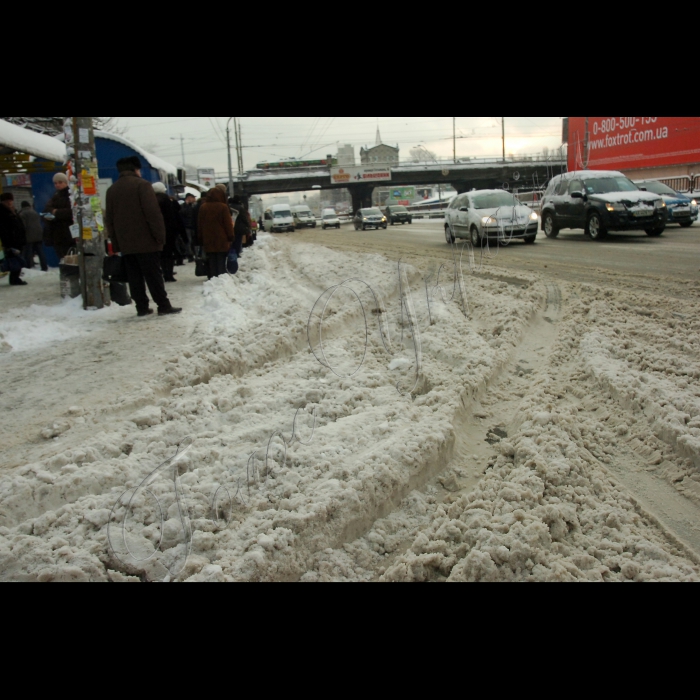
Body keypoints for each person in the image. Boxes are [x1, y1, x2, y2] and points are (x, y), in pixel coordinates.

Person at [104, 157, 182, 317]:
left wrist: (116, 242)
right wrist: (160, 236)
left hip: (126, 243)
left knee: (134, 277)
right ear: (136, 170)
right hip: (146, 241)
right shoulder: (142, 186)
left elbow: (109, 219)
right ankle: (163, 305)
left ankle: (141, 307)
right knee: (153, 275)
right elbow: (153, 214)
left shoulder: (111, 190)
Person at [152, 183, 186, 283]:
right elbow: (174, 216)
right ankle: (169, 274)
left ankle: (163, 273)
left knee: (161, 255)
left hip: (157, 231)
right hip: (169, 232)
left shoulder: (151, 201)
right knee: (169, 254)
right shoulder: (167, 201)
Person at [198, 187, 234, 279]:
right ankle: (220, 280)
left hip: (208, 239)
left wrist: (200, 238)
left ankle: (212, 278)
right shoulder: (223, 207)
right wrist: (231, 236)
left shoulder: (203, 207)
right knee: (221, 261)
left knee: (211, 261)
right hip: (221, 239)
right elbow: (227, 224)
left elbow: (200, 224)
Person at [44, 173, 75, 260]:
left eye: (60, 182)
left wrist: (56, 212)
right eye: (55, 183)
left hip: (68, 236)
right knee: (63, 260)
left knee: (70, 260)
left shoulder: (71, 195)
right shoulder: (55, 196)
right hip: (57, 237)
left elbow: (72, 212)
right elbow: (46, 212)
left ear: (66, 182)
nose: (57, 185)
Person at [0, 193, 27, 285]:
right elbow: (4, 230)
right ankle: (14, 279)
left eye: (11, 200)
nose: (10, 202)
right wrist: (7, 244)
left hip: (17, 239)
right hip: (12, 241)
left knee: (17, 259)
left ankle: (15, 278)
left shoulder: (12, 211)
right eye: (8, 201)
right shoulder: (3, 212)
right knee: (14, 260)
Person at [19, 201, 48, 272]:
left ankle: (28, 267)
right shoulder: (34, 212)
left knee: (28, 252)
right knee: (40, 251)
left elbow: (23, 226)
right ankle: (44, 266)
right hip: (39, 234)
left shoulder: (22, 214)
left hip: (29, 235)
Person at [180, 193, 197, 263]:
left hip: (193, 226)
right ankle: (190, 255)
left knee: (193, 241)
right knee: (188, 241)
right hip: (187, 226)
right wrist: (187, 205)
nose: (194, 199)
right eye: (192, 197)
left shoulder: (194, 205)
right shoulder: (184, 206)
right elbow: (183, 213)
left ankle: (194, 254)